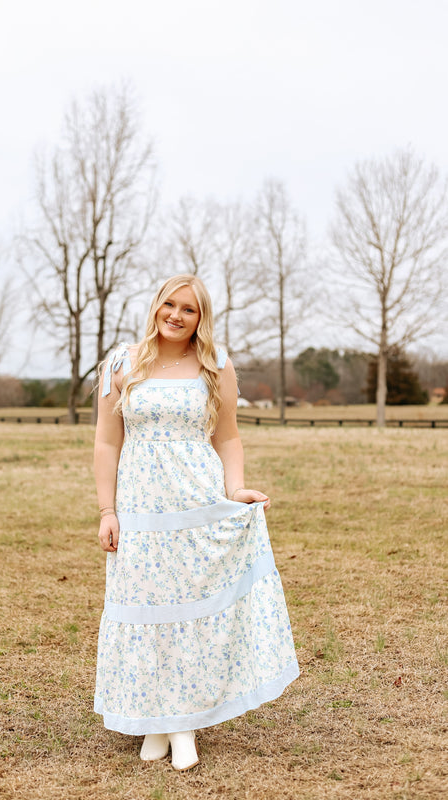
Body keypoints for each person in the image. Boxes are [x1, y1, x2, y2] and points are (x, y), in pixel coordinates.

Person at [93, 274, 299, 771]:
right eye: (170, 304)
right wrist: (107, 510)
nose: (176, 315)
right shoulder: (120, 363)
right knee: (146, 607)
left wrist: (236, 490)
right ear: (156, 306)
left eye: (189, 309)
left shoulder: (216, 364)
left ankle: (182, 725)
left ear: (201, 317)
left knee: (190, 609)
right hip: (141, 508)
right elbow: (106, 441)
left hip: (196, 504)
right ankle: (156, 721)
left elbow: (227, 437)